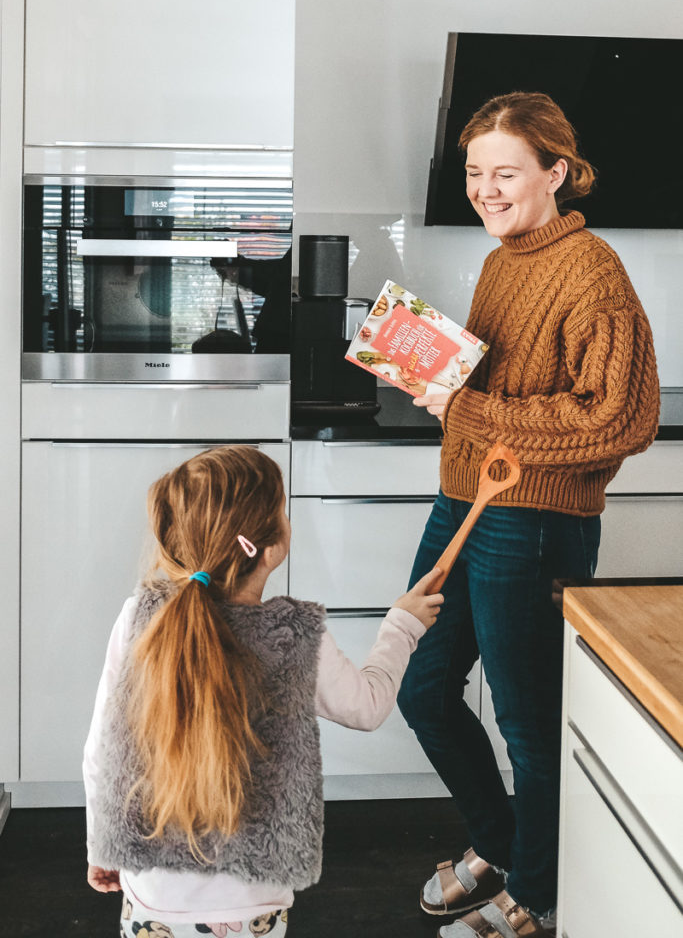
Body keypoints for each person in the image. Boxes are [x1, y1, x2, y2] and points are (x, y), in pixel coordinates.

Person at [397, 91, 660, 938]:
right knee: (424, 688)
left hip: (534, 516)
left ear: (555, 172)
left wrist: (465, 409)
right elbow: (492, 385)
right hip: (464, 499)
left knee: (527, 722)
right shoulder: (505, 256)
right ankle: (506, 844)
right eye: (475, 173)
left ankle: (538, 897)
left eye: (505, 172)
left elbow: (618, 420)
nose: (486, 188)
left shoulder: (593, 273)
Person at [83, 444, 444, 938]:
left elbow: (100, 752)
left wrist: (101, 846)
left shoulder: (138, 618)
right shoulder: (293, 635)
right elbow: (368, 707)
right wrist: (401, 626)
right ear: (267, 546)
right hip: (252, 900)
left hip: (152, 888)